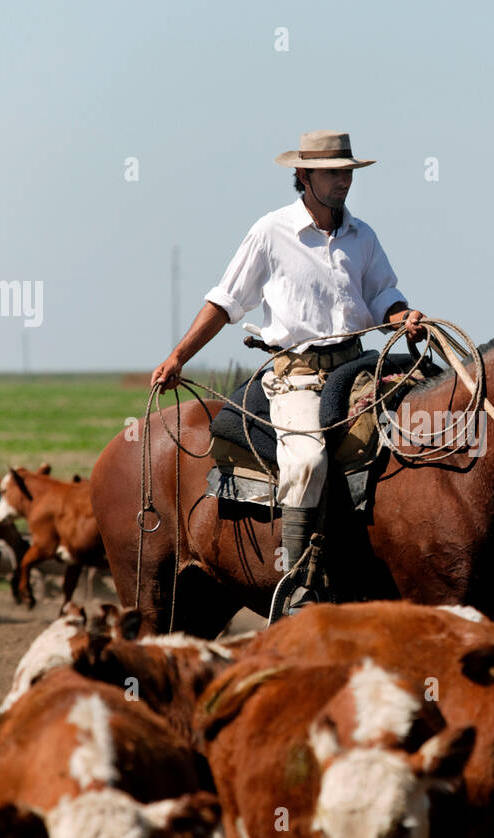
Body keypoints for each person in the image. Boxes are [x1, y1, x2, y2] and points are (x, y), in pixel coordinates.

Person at [150, 130, 425, 612]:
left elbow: (384, 296)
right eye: (333, 174)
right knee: (307, 461)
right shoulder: (270, 232)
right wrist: (179, 356)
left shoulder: (363, 236)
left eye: (347, 173)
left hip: (360, 364)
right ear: (303, 176)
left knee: (427, 422)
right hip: (297, 375)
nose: (344, 182)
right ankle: (299, 583)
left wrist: (405, 318)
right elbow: (225, 301)